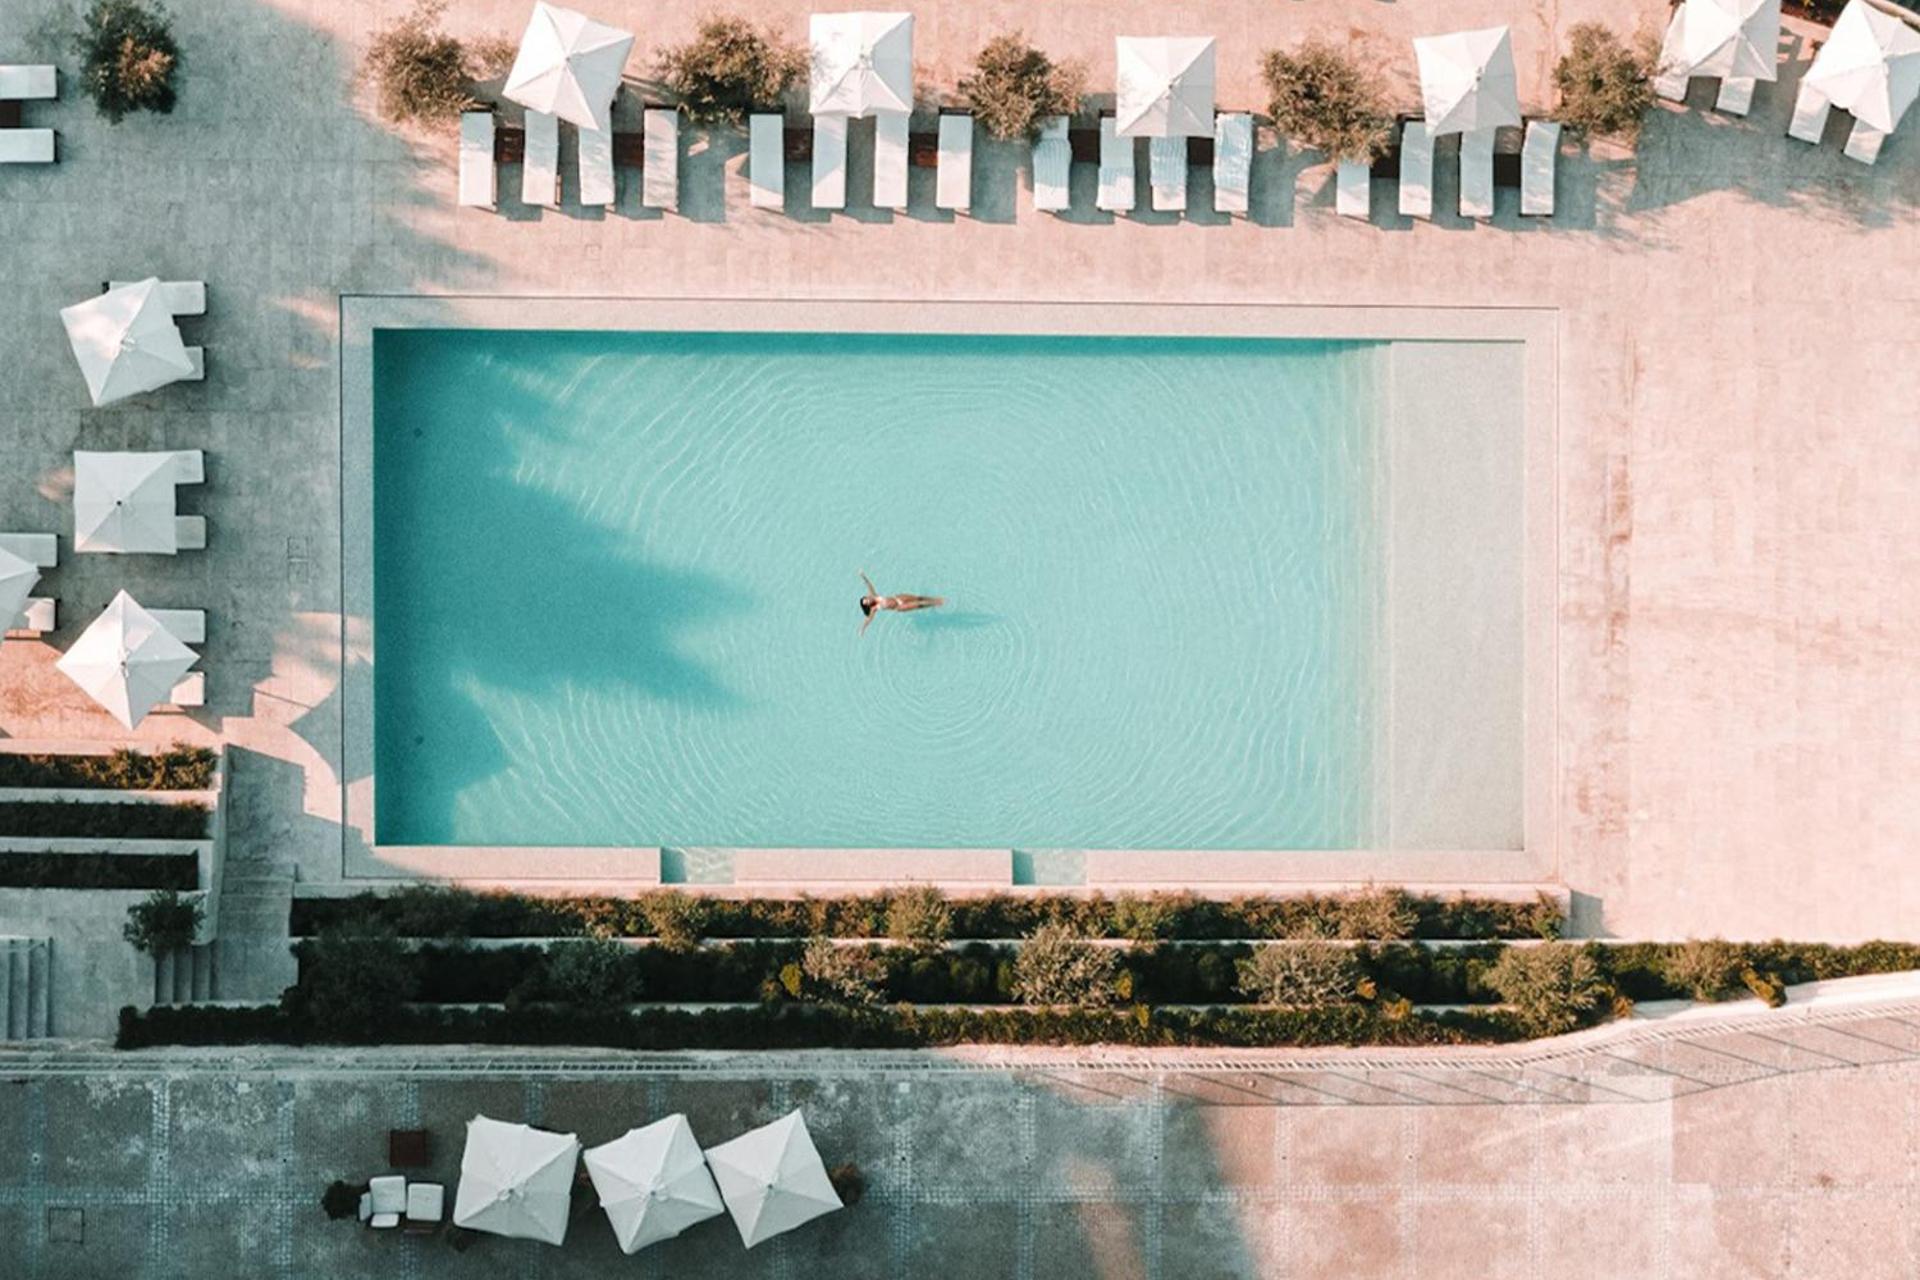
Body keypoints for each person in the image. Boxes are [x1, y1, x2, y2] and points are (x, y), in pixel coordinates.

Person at [859, 572, 944, 635]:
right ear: (868, 606)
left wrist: (863, 576)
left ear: (867, 597)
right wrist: (863, 629)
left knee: (917, 598)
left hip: (897, 597)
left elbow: (869, 585)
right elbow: (868, 619)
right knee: (918, 605)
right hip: (899, 607)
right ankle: (935, 603)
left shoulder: (874, 595)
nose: (868, 601)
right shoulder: (874, 608)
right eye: (866, 603)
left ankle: (934, 599)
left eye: (866, 599)